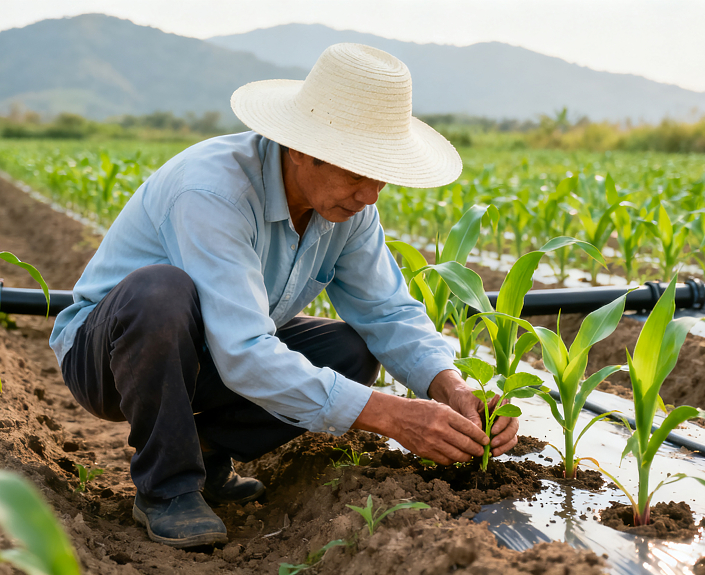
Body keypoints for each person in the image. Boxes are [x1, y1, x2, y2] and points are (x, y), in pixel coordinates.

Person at [50, 43, 520, 548]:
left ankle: (203, 453)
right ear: (300, 148)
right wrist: (391, 415)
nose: (370, 195)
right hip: (114, 358)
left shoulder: (351, 211)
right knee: (160, 291)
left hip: (212, 354)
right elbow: (243, 351)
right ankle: (166, 488)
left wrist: (450, 387)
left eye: (380, 177)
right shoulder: (214, 191)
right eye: (356, 173)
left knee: (352, 350)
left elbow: (387, 311)